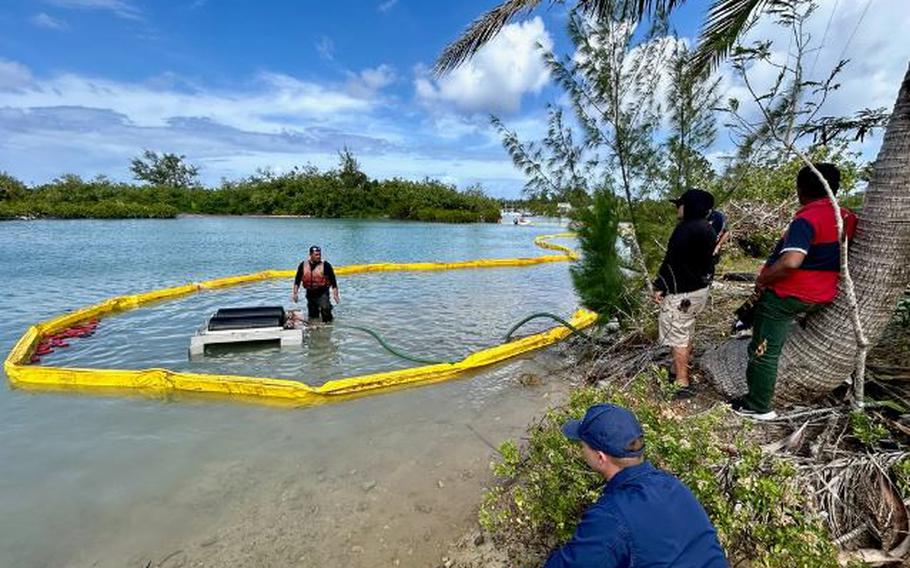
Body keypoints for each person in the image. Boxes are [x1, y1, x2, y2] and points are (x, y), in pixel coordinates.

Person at [732, 163, 857, 420]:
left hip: (787, 296)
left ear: (801, 189)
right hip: (824, 294)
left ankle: (758, 406)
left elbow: (791, 261)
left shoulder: (806, 219)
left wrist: (765, 276)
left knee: (763, 349)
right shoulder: (846, 217)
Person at [544, 403, 728, 567]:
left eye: (582, 446)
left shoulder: (609, 516)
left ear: (600, 458)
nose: (581, 450)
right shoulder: (672, 484)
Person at [652, 188, 717, 397]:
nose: (677, 208)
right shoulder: (707, 228)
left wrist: (659, 286)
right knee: (686, 331)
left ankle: (681, 383)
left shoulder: (685, 229)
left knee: (678, 335)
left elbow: (672, 262)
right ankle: (677, 371)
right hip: (699, 291)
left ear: (689, 206)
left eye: (679, 204)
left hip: (683, 295)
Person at [292, 245, 340, 323]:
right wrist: (295, 293)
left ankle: (328, 326)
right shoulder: (303, 265)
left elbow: (333, 281)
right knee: (313, 316)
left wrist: (335, 295)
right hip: (310, 293)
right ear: (310, 255)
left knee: (325, 309)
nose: (319, 256)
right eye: (316, 255)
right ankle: (315, 330)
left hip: (322, 292)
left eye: (320, 254)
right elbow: (297, 280)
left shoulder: (326, 265)